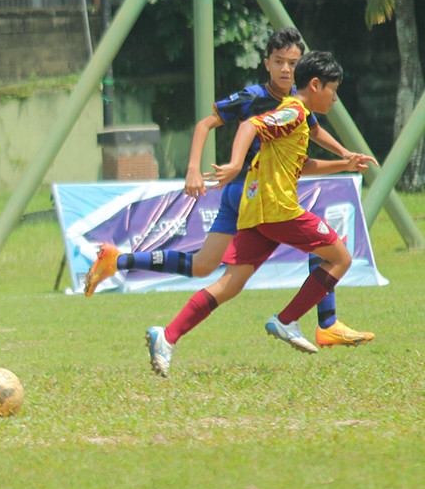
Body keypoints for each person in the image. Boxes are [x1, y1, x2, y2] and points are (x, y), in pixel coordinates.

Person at [85, 27, 376, 348]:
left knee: (215, 273)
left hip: (263, 199)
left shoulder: (298, 108)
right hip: (250, 192)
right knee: (334, 252)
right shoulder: (269, 102)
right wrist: (199, 168)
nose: (286, 70)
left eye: (293, 63)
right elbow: (219, 124)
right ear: (267, 63)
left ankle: (153, 315)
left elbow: (312, 136)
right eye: (280, 62)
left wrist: (345, 157)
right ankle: (306, 321)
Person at [144, 51, 373, 377]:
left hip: (258, 212)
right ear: (315, 84)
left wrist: (344, 164)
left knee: (230, 284)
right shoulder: (293, 112)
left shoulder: (297, 117)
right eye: (333, 90)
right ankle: (287, 320)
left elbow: (301, 165)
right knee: (340, 258)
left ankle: (166, 336)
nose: (335, 98)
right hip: (277, 209)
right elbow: (250, 124)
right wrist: (236, 164)